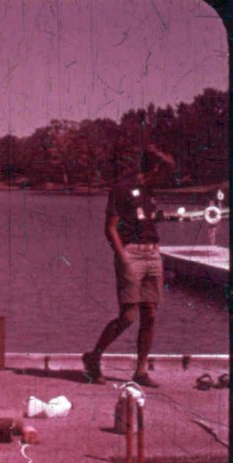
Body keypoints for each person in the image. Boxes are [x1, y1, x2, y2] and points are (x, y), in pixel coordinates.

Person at [82, 145, 175, 388]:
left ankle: (141, 370)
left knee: (150, 314)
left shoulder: (150, 191)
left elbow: (144, 220)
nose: (167, 176)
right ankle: (93, 357)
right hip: (131, 255)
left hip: (153, 254)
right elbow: (110, 227)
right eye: (164, 171)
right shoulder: (121, 189)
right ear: (154, 168)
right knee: (128, 316)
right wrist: (122, 257)